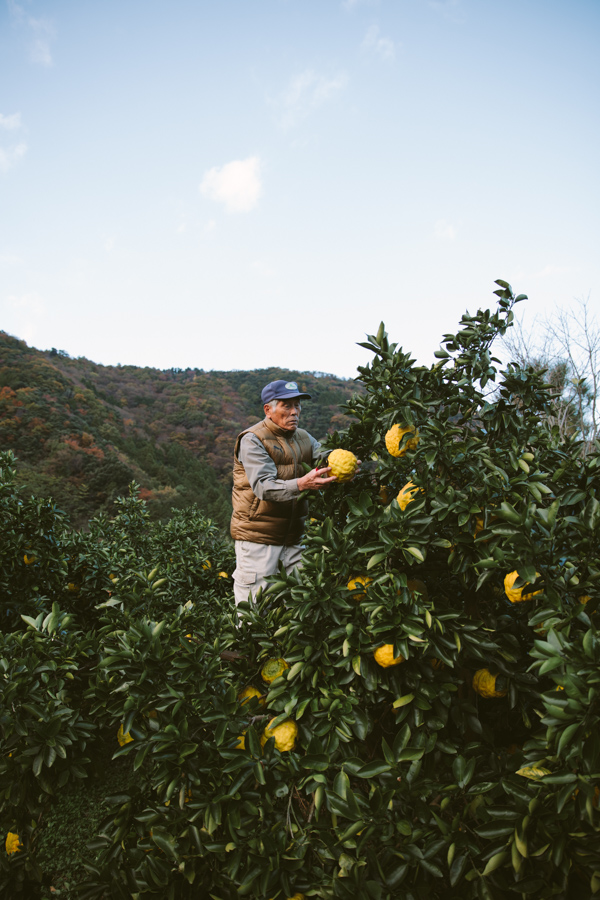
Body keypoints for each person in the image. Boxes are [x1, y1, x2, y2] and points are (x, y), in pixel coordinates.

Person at [230, 379, 337, 606]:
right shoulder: (252, 440)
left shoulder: (304, 438)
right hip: (259, 540)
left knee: (303, 607)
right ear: (268, 410)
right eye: (286, 406)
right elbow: (264, 487)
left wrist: (345, 463)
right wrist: (301, 484)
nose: (294, 412)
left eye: (297, 405)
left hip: (294, 539)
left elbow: (325, 459)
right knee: (254, 613)